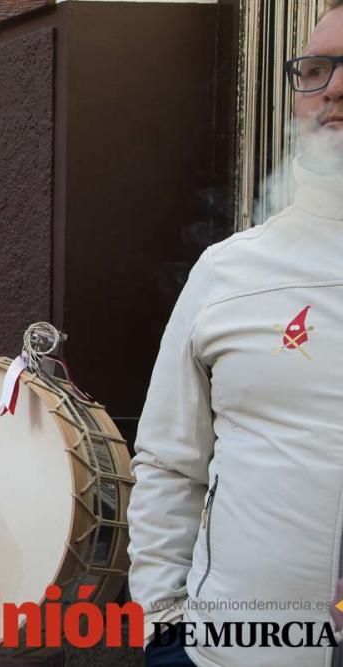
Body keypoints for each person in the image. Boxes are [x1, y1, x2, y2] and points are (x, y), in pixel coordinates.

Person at [127, 3, 343, 666]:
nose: (333, 89)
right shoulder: (229, 271)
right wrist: (163, 632)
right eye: (315, 70)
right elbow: (168, 461)